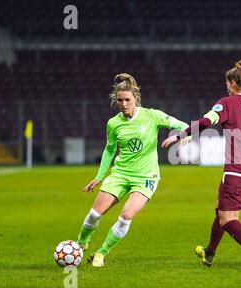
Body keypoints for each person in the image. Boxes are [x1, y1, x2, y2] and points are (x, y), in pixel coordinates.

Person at [162, 59, 241, 272]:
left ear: (232, 83)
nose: (226, 87)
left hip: (236, 171)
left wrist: (181, 134)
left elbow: (205, 122)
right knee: (222, 211)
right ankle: (210, 251)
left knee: (227, 219)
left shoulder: (226, 103)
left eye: (227, 84)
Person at [76, 73, 189, 267]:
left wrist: (180, 137)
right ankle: (80, 244)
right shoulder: (113, 123)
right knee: (95, 214)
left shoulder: (152, 115)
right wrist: (100, 176)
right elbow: (109, 149)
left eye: (127, 99)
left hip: (146, 177)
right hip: (120, 174)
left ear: (135, 98)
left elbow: (185, 126)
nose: (123, 103)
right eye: (119, 100)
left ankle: (101, 253)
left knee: (126, 215)